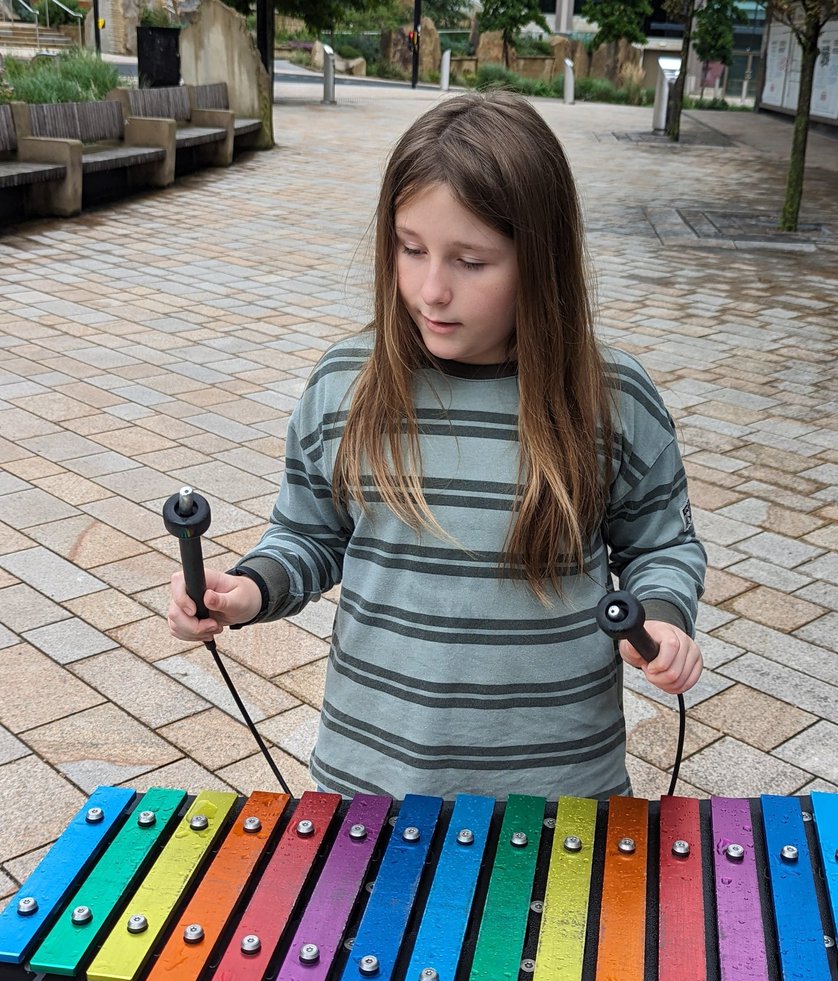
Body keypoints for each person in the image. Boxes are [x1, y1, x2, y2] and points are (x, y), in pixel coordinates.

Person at [167, 90, 705, 801]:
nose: (430, 290)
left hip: (561, 798)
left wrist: (661, 619)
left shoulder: (613, 398)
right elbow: (309, 534)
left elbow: (661, 546)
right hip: (370, 789)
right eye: (410, 249)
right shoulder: (344, 386)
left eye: (471, 262)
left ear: (540, 261)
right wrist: (248, 588)